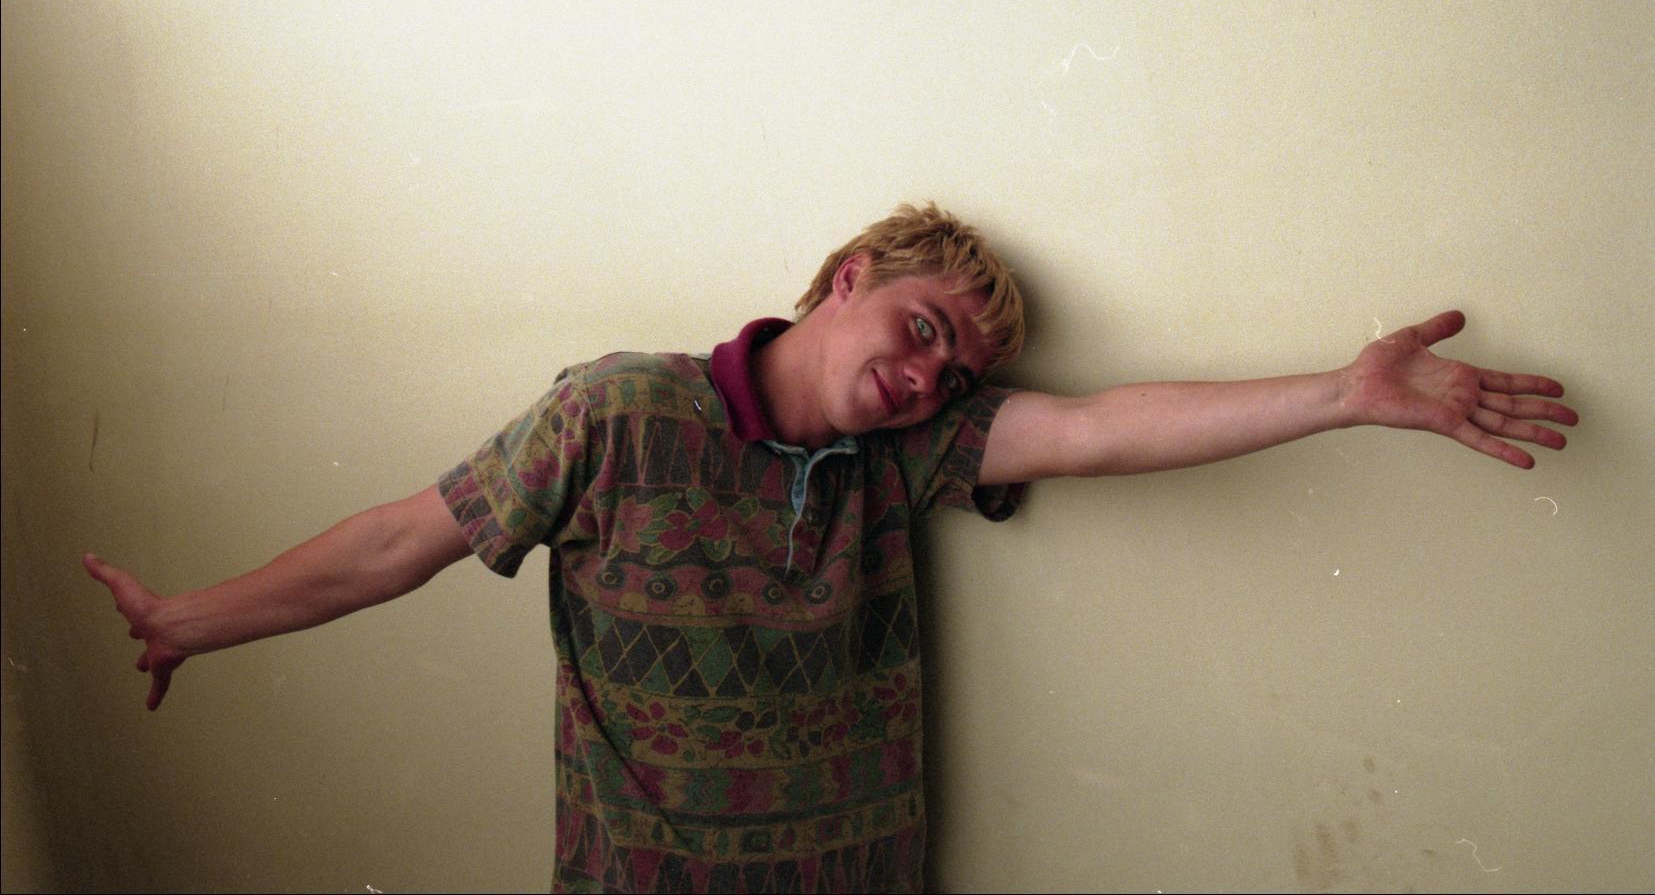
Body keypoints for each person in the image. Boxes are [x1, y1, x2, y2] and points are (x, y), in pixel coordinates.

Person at [85, 203, 1578, 893]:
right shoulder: (620, 413)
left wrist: (1344, 395)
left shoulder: (906, 455)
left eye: (954, 370)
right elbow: (397, 543)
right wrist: (191, 619)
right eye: (921, 329)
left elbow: (1102, 429)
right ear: (848, 278)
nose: (928, 377)